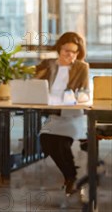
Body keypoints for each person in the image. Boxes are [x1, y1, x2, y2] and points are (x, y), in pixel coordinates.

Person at [37, 32, 89, 196]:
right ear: (60, 48)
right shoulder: (49, 64)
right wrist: (46, 69)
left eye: (74, 52)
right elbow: (33, 81)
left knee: (61, 143)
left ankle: (71, 177)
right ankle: (71, 176)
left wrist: (78, 97)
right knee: (46, 140)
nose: (70, 55)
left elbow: (86, 92)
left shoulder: (81, 67)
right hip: (54, 115)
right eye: (67, 51)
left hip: (73, 115)